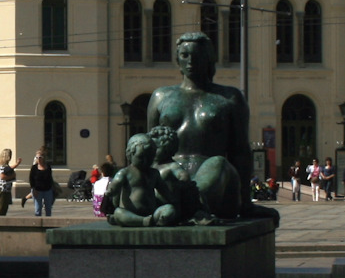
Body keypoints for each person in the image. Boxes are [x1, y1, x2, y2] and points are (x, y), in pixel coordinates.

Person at [143, 32, 276, 223]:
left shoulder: (229, 98)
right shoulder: (161, 97)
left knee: (217, 163)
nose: (191, 61)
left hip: (217, 186)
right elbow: (149, 149)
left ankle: (190, 206)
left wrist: (246, 203)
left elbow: (240, 152)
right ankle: (186, 208)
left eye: (197, 55)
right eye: (185, 55)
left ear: (209, 58)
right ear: (177, 59)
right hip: (173, 181)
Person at [106, 132, 181, 227]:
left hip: (151, 213)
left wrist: (172, 199)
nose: (145, 161)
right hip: (129, 211)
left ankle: (150, 220)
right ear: (130, 155)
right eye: (141, 157)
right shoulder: (125, 172)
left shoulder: (154, 173)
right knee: (119, 213)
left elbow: (163, 189)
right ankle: (142, 221)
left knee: (169, 209)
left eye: (149, 157)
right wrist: (111, 190)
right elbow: (116, 183)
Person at [27, 147, 57, 216]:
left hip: (47, 190)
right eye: (37, 157)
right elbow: (31, 179)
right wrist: (33, 189)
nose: (38, 159)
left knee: (48, 209)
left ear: (44, 158)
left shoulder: (48, 167)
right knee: (38, 209)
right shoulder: (34, 167)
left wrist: (52, 188)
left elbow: (49, 178)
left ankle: (48, 223)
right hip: (37, 190)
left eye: (40, 157)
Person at [0, 149, 18, 216]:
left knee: (4, 207)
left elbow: (10, 168)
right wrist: (12, 176)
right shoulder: (2, 166)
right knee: (1, 207)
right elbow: (2, 176)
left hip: (6, 189)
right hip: (3, 189)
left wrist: (17, 164)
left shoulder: (5, 166)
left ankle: (1, 220)